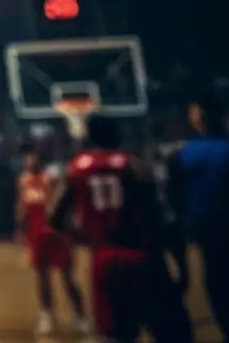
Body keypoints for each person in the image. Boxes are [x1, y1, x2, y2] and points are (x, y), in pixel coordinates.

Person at [49, 114, 193, 343]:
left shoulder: (76, 169)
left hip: (104, 259)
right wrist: (181, 263)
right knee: (171, 332)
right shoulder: (134, 166)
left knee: (115, 334)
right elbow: (162, 217)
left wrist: (84, 237)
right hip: (143, 257)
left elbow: (54, 217)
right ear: (116, 134)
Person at [167, 90, 229, 339]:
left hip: (210, 236)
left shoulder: (183, 155)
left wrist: (181, 260)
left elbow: (175, 207)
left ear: (198, 118)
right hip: (219, 233)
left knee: (221, 294)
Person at [15, 144, 88, 336]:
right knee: (42, 277)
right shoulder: (24, 180)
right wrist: (21, 228)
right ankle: (47, 315)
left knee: (67, 278)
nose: (29, 160)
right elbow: (22, 206)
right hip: (37, 235)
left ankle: (81, 316)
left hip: (57, 235)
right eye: (27, 157)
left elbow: (65, 203)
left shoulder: (52, 178)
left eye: (32, 156)